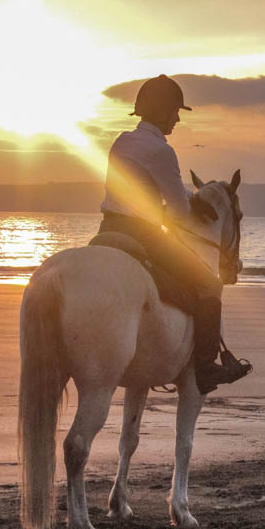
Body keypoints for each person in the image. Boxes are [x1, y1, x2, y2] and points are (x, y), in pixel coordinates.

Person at [97, 74, 250, 394]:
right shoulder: (162, 151)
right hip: (143, 235)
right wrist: (191, 205)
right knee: (209, 284)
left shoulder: (121, 141)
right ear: (162, 111)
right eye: (175, 112)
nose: (178, 118)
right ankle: (207, 368)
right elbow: (179, 211)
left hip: (107, 230)